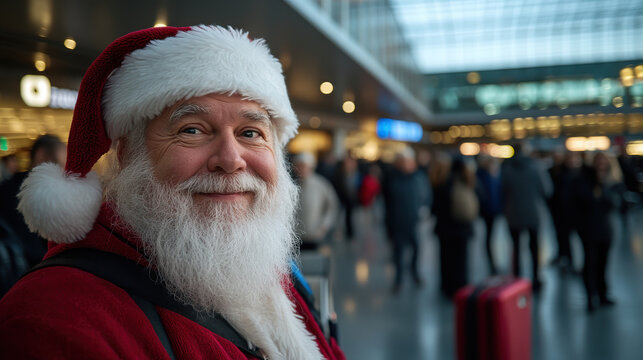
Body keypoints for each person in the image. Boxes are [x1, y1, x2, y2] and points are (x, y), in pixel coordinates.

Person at [0, 25, 344, 360]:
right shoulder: (55, 317)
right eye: (192, 129)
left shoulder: (276, 275)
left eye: (251, 133)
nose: (230, 159)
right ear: (128, 155)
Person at [0, 134, 66, 268]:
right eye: (60, 165)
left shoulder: (10, 187)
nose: (63, 174)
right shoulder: (26, 195)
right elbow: (32, 250)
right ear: (41, 156)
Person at [571, 152, 619, 313]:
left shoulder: (608, 180)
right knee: (590, 263)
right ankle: (591, 297)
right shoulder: (583, 180)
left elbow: (612, 203)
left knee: (602, 263)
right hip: (588, 229)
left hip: (605, 229)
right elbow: (579, 202)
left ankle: (602, 294)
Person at [501, 143, 548, 291]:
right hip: (533, 213)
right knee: (534, 247)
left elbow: (501, 190)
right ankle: (536, 277)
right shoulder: (536, 167)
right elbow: (547, 190)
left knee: (516, 247)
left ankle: (517, 277)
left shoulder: (507, 168)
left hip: (513, 213)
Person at [383, 148, 431, 293]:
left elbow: (426, 195)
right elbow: (387, 202)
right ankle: (399, 279)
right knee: (398, 252)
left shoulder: (418, 178)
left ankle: (415, 273)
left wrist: (424, 209)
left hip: (413, 220)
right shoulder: (391, 178)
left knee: (416, 248)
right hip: (397, 221)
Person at [432, 156, 477, 297]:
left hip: (444, 229)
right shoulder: (467, 182)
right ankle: (461, 286)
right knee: (461, 260)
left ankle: (446, 286)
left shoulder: (442, 181)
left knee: (445, 259)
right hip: (462, 228)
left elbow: (435, 206)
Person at [292, 152, 339, 251]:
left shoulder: (321, 184)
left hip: (314, 235)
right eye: (299, 166)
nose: (301, 169)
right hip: (295, 236)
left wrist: (324, 226)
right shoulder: (291, 185)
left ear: (311, 167)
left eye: (304, 166)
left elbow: (332, 206)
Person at [548, 151, 581, 271]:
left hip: (574, 211)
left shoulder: (578, 173)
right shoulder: (558, 172)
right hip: (560, 211)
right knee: (562, 236)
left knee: (573, 238)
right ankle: (565, 257)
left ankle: (571, 261)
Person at [475, 154, 502, 275]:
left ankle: (493, 262)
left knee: (491, 237)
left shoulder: (493, 176)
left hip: (493, 210)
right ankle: (491, 263)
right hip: (488, 211)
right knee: (489, 238)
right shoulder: (483, 176)